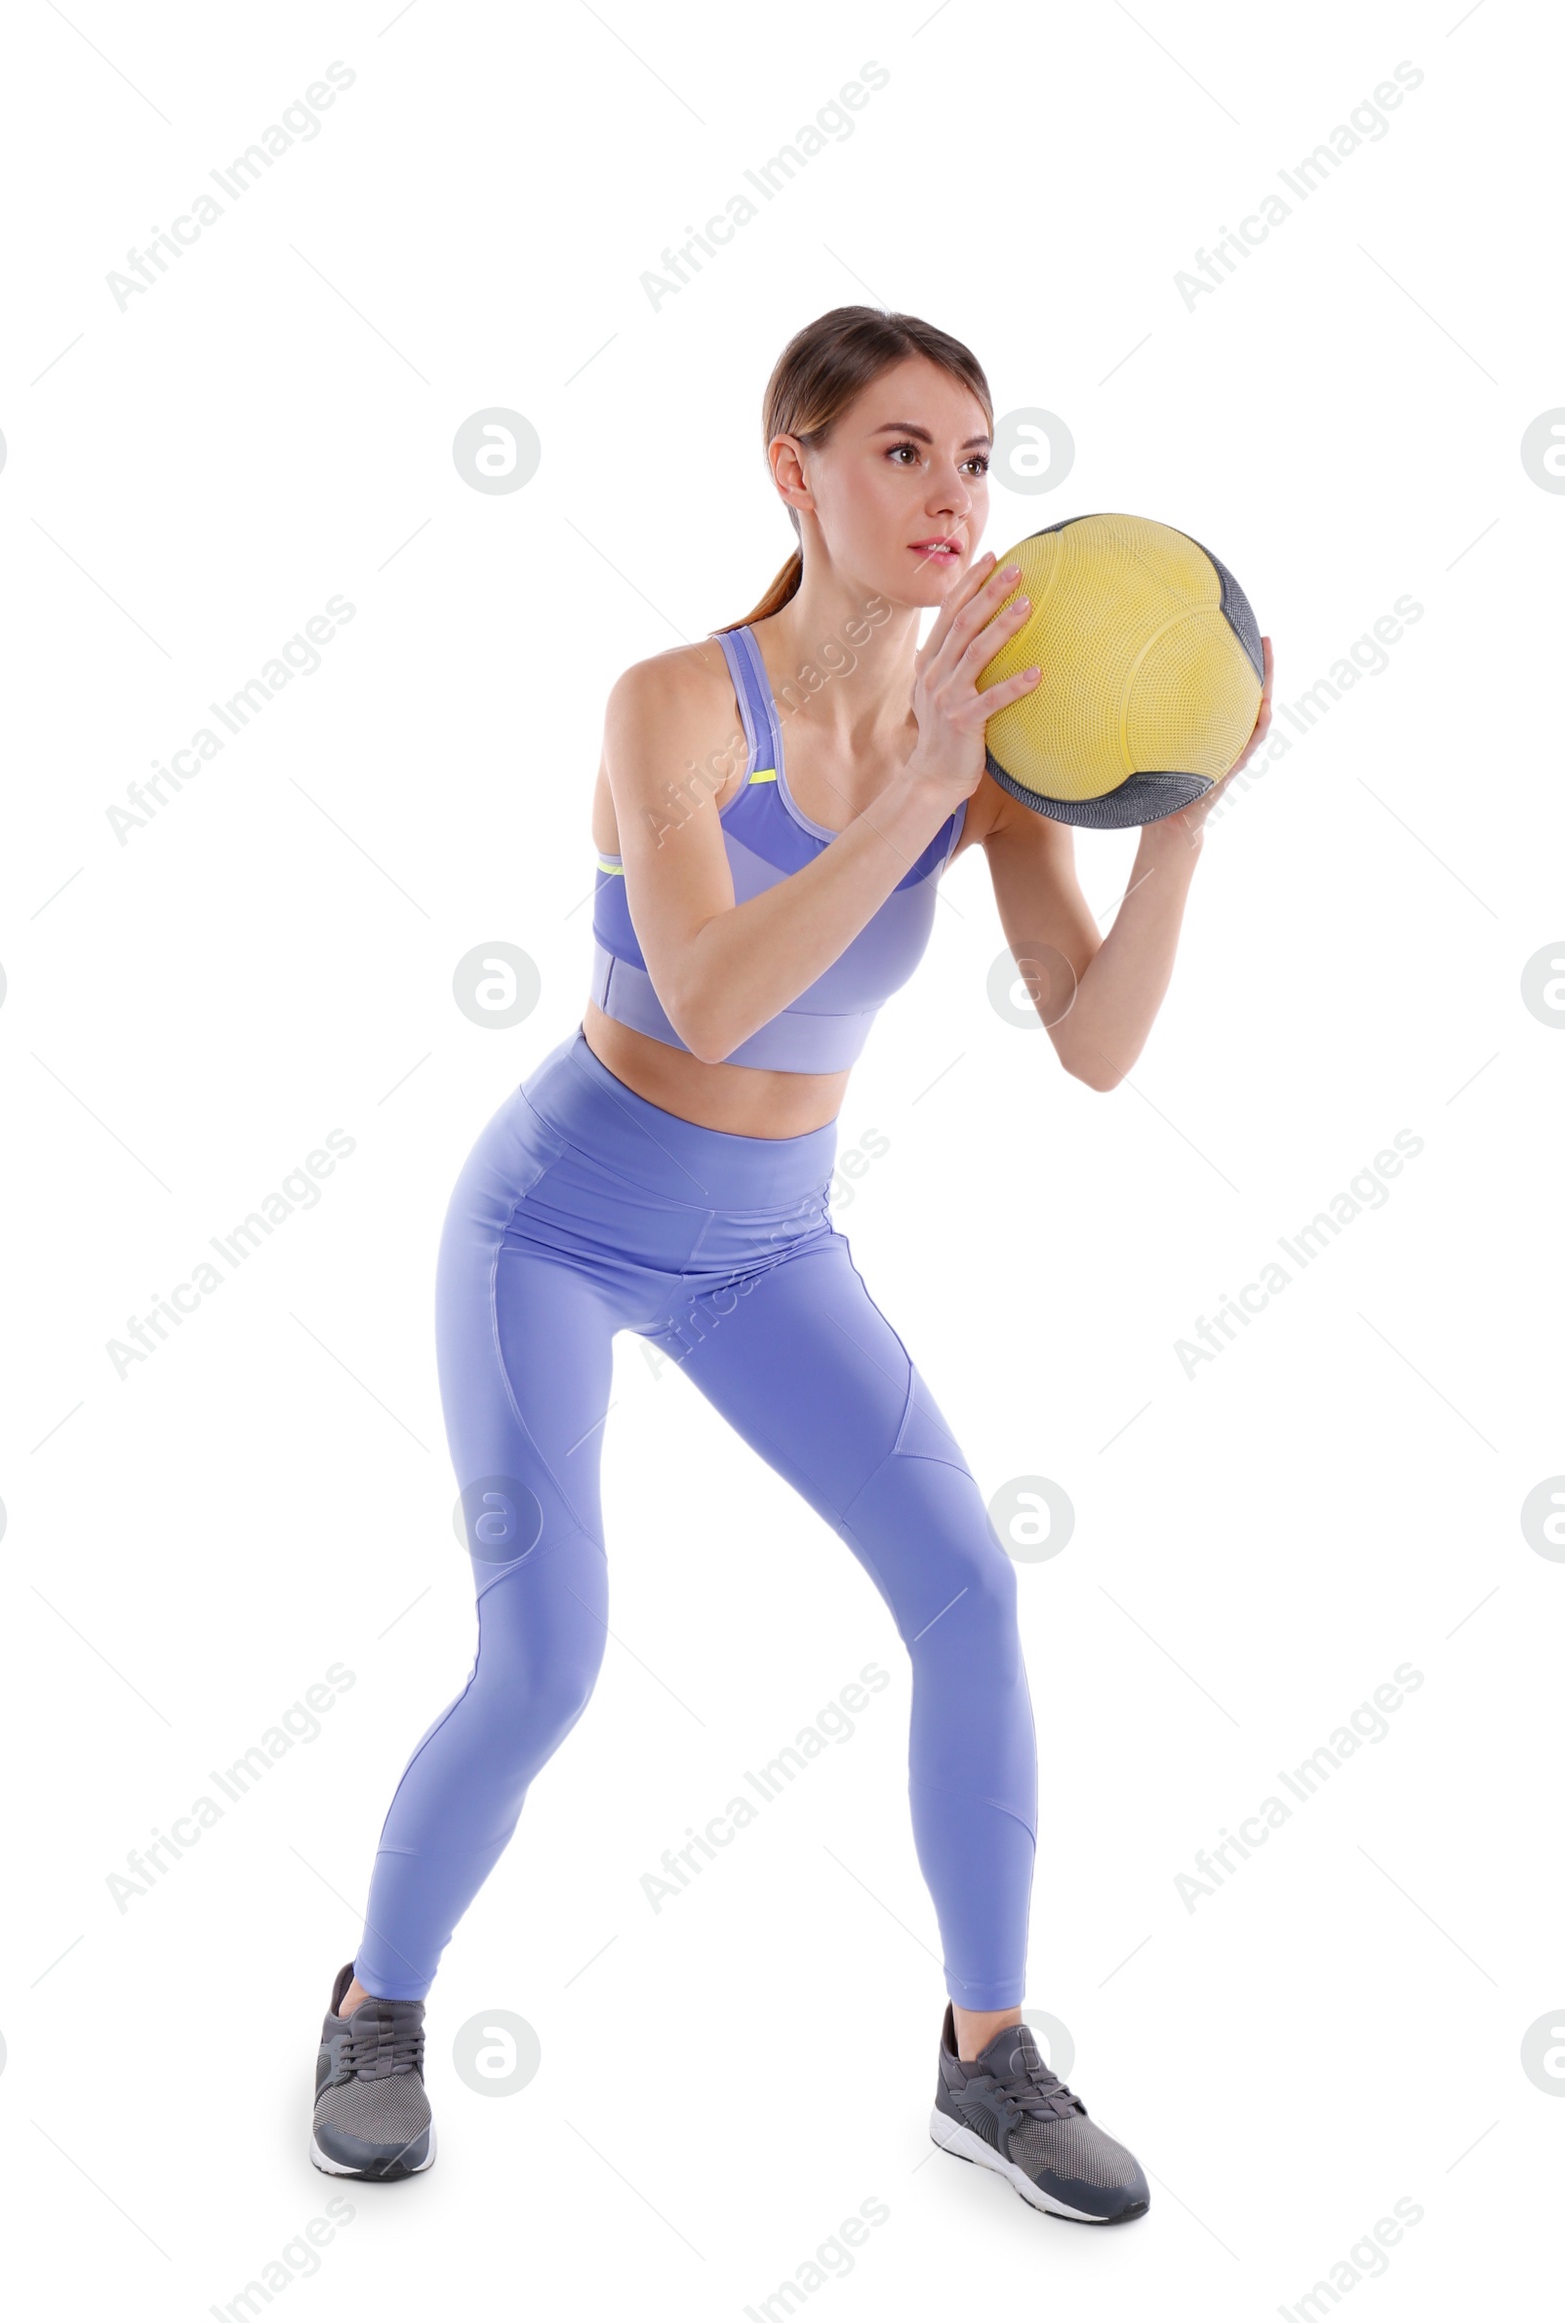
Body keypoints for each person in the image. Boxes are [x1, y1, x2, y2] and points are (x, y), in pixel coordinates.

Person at [308, 305, 1274, 2220]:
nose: (952, 494)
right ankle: (377, 2004)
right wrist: (922, 778)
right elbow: (714, 990)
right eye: (903, 450)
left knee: (970, 1591)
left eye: (978, 457)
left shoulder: (988, 746)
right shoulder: (673, 706)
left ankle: (987, 2056)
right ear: (798, 471)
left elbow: (1091, 1040)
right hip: (556, 1229)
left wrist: (1176, 816)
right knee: (548, 1661)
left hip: (766, 1249)